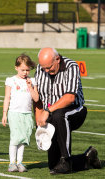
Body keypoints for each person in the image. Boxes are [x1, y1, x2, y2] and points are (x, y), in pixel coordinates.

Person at [33, 47, 101, 175]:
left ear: (57, 59)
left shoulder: (71, 66)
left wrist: (47, 110)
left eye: (49, 67)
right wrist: (39, 119)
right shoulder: (40, 69)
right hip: (52, 114)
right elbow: (37, 98)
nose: (47, 71)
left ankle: (66, 159)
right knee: (53, 165)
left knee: (60, 115)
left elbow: (69, 98)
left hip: (75, 111)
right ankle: (88, 158)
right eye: (44, 68)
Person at [2, 54, 39, 173]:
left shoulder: (32, 81)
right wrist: (4, 114)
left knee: (23, 138)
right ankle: (12, 163)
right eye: (22, 70)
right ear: (16, 68)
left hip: (27, 114)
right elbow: (7, 97)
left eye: (27, 70)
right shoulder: (11, 80)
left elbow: (36, 98)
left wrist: (30, 87)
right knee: (15, 138)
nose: (25, 72)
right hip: (14, 113)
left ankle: (20, 162)